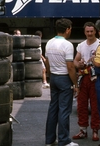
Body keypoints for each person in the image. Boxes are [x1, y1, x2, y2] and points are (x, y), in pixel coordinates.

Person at [44, 18, 79, 146]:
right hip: (64, 79)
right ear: (68, 29)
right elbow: (70, 67)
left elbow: (47, 63)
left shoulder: (49, 43)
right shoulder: (68, 45)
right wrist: (75, 84)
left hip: (53, 77)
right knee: (64, 110)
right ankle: (64, 141)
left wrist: (49, 76)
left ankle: (50, 140)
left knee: (53, 109)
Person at [72, 22, 100, 141]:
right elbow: (75, 61)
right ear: (84, 32)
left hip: (95, 78)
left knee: (95, 106)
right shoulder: (81, 45)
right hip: (83, 77)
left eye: (91, 31)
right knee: (81, 105)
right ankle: (82, 130)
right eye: (87, 31)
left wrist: (95, 60)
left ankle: (95, 130)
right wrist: (79, 64)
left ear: (95, 31)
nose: (89, 33)